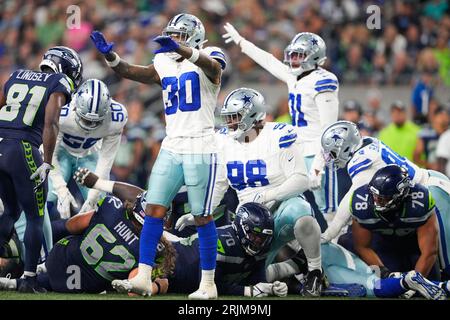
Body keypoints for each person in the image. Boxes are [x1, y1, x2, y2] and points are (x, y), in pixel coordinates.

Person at [90, 13, 226, 299]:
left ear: (193, 38)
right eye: (172, 35)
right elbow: (131, 71)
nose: (173, 39)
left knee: (201, 215)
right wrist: (111, 57)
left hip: (200, 145)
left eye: (179, 36)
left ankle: (208, 284)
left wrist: (181, 50)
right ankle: (143, 276)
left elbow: (212, 67)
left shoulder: (209, 55)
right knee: (153, 207)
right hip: (172, 144)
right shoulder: (164, 62)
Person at [177, 88, 323, 296]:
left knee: (302, 214)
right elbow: (219, 184)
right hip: (248, 223)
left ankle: (315, 271)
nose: (230, 123)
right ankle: (293, 268)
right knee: (248, 277)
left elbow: (301, 180)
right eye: (228, 117)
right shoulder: (223, 141)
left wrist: (267, 196)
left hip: (282, 212)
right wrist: (200, 213)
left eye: (235, 117)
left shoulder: (277, 135)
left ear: (252, 115)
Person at [222, 24, 339, 224]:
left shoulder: (324, 81)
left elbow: (331, 132)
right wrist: (242, 42)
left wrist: (319, 165)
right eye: (292, 55)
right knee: (284, 199)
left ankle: (336, 248)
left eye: (299, 55)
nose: (293, 59)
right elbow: (268, 61)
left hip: (317, 151)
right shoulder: (294, 77)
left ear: (314, 56)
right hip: (298, 148)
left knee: (328, 210)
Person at [320, 120, 450, 279]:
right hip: (418, 188)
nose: (330, 158)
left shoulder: (359, 159)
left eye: (333, 152)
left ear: (346, 147)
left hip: (431, 189)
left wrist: (330, 232)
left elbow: (351, 197)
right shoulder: (367, 142)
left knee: (446, 260)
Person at [0, 46, 82, 293]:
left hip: (1, 144)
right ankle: (28, 278)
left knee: (11, 211)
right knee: (35, 216)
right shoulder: (60, 81)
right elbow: (52, 121)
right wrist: (47, 161)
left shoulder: (16, 75)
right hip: (23, 149)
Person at [47, 78, 127, 218]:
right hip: (61, 154)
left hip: (89, 155)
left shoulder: (116, 118)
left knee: (101, 203)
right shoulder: (63, 114)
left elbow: (106, 160)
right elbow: (49, 154)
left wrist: (93, 197)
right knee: (46, 198)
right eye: (86, 119)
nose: (89, 125)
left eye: (95, 121)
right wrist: (60, 188)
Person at [266, 242, 447, 300]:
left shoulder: (301, 254)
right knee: (396, 289)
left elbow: (279, 271)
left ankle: (409, 279)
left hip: (332, 264)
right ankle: (445, 286)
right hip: (339, 257)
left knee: (374, 288)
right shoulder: (311, 236)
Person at [349, 165, 440, 279]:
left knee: (432, 282)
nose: (376, 200)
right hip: (382, 246)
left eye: (383, 198)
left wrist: (416, 281)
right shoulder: (361, 203)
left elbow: (429, 252)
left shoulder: (420, 201)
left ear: (400, 196)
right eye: (374, 195)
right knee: (385, 285)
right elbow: (362, 246)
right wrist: (384, 273)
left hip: (413, 246)